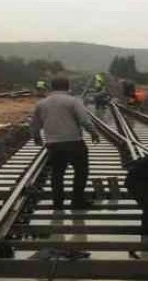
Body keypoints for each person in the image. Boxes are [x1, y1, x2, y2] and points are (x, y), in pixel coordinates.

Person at [30, 77, 101, 210]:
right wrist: (93, 133)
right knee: (81, 171)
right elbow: (84, 120)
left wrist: (36, 137)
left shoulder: (42, 103)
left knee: (57, 173)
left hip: (54, 144)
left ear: (52, 87)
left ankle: (58, 203)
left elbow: (35, 124)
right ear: (68, 87)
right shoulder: (74, 101)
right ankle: (77, 201)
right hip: (74, 142)